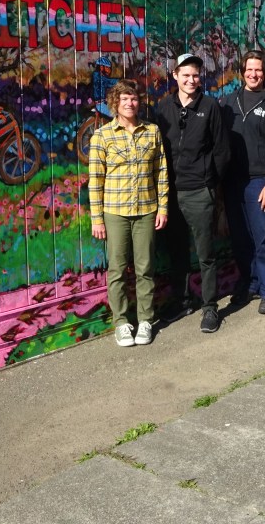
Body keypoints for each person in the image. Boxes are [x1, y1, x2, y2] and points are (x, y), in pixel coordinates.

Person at [87, 79, 169, 346]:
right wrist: (97, 219)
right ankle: (121, 322)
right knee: (117, 270)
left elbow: (161, 173)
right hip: (115, 213)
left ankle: (145, 320)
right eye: (124, 99)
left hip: (146, 210)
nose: (130, 103)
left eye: (133, 98)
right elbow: (95, 180)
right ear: (115, 103)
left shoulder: (152, 131)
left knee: (145, 268)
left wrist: (163, 207)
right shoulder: (102, 136)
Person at [154, 53, 231, 333]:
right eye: (185, 75)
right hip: (170, 193)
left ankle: (210, 307)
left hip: (199, 191)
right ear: (175, 75)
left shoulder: (210, 107)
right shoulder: (163, 108)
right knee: (177, 251)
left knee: (205, 253)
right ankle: (182, 301)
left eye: (195, 75)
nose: (191, 80)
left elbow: (222, 151)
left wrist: (210, 182)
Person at [220, 49, 265, 315]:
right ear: (242, 72)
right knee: (241, 238)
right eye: (249, 69)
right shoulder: (229, 102)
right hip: (233, 182)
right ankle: (250, 284)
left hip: (260, 181)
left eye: (258, 69)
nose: (253, 74)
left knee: (263, 238)